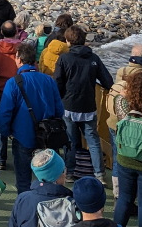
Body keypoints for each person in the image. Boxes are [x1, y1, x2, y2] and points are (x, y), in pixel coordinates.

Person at [0, 43, 64, 191]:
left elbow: (4, 112)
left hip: (23, 136)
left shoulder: (13, 82)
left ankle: (25, 210)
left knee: (23, 181)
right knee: (50, 179)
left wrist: (6, 131)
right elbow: (59, 109)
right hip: (47, 136)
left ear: (19, 59)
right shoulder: (48, 80)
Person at [54, 25, 113, 181]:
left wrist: (59, 100)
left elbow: (58, 82)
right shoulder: (93, 58)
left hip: (69, 105)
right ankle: (99, 173)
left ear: (68, 41)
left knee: (71, 140)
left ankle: (71, 172)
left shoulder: (64, 58)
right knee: (93, 140)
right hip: (88, 106)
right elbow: (107, 81)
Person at [113, 71, 142, 226]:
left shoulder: (122, 104)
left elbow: (119, 97)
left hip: (125, 159)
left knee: (125, 198)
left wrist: (126, 92)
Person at [7, 149, 73, 227]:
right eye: (64, 170)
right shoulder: (72, 203)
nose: (65, 174)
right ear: (58, 175)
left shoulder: (22, 199)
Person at [0, 22, 23, 97]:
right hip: (20, 88)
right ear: (16, 32)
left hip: (1, 89)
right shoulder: (23, 50)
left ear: (1, 32)